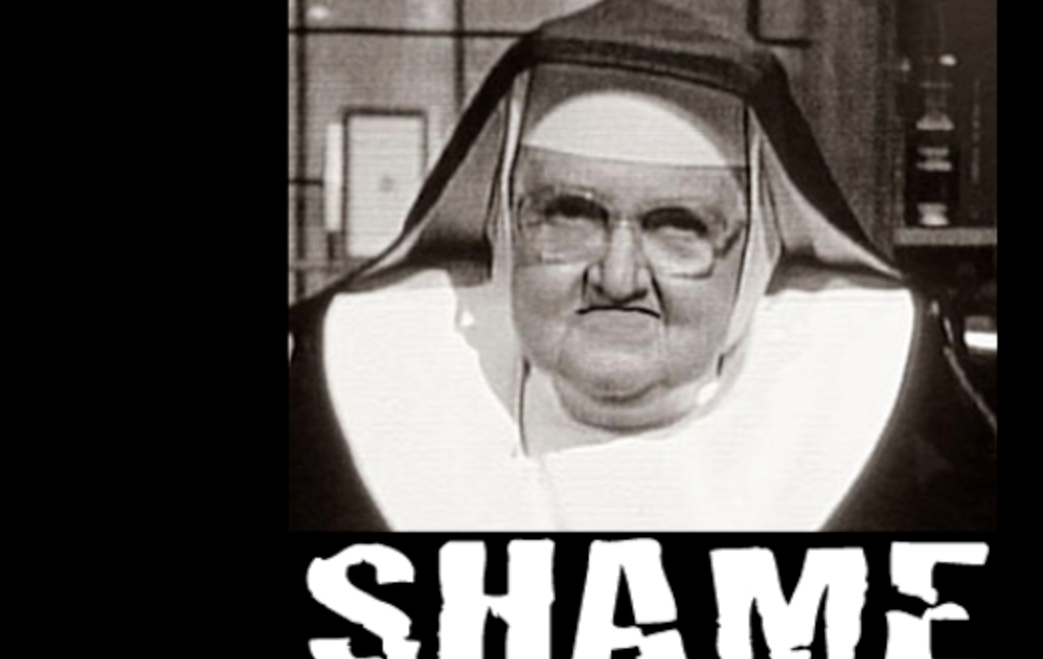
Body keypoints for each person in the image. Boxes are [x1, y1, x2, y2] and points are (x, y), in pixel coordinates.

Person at [288, 0, 996, 532]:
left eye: (679, 226)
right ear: (503, 228)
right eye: (569, 214)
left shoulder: (902, 438)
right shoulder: (346, 395)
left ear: (758, 254)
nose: (618, 276)